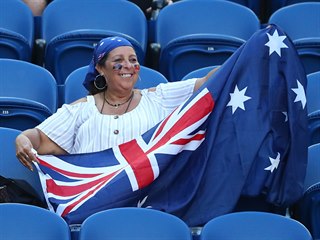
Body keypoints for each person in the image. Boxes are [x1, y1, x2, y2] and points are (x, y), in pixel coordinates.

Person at [15, 36, 218, 171]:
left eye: (133, 60)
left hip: (147, 200)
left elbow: (208, 82)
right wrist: (23, 139)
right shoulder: (81, 108)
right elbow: (40, 139)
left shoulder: (159, 98)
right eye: (119, 60)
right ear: (100, 68)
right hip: (91, 200)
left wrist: (243, 58)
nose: (128, 66)